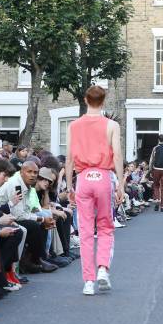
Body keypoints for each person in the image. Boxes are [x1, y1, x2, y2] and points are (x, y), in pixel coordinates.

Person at [65, 85, 124, 296]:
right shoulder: (111, 125)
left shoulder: (74, 125)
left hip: (83, 177)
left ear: (85, 99)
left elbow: (69, 158)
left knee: (86, 231)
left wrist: (69, 185)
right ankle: (102, 269)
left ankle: (88, 281)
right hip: (103, 176)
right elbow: (117, 155)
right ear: (104, 100)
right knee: (106, 226)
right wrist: (121, 185)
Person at [148, 134, 163, 212]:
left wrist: (150, 170)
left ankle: (157, 200)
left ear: (158, 140)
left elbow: (152, 159)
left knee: (156, 186)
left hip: (156, 169)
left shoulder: (155, 148)